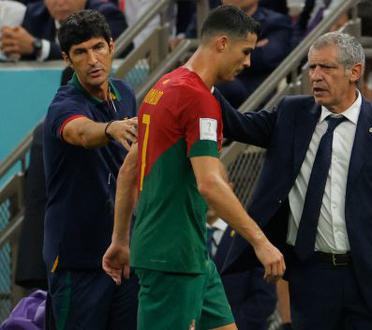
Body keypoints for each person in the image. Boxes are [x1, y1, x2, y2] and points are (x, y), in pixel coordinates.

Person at [216, 31, 372, 329]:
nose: (315, 76)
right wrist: (203, 81)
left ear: (355, 71)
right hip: (311, 276)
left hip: (371, 278)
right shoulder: (292, 113)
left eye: (326, 68)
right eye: (312, 67)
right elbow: (238, 125)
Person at [101, 6, 285, 330]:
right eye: (246, 52)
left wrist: (120, 239)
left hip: (191, 252)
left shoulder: (163, 87)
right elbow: (209, 184)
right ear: (222, 43)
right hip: (172, 257)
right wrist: (260, 241)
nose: (248, 63)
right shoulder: (198, 100)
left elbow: (130, 168)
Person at [42, 9, 139, 329]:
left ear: (112, 46)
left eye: (98, 47)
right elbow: (80, 132)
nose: (92, 59)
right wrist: (109, 129)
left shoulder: (124, 93)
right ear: (67, 59)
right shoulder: (63, 105)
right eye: (80, 53)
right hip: (77, 260)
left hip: (123, 254)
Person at [207, 207, 277, 330]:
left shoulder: (251, 238)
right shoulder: (184, 237)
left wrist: (227, 325)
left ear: (230, 187)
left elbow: (265, 298)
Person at [0, 0, 127, 61]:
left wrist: (38, 47)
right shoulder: (34, 15)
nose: (60, 2)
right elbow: (25, 54)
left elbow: (96, 60)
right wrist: (10, 48)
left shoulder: (107, 15)